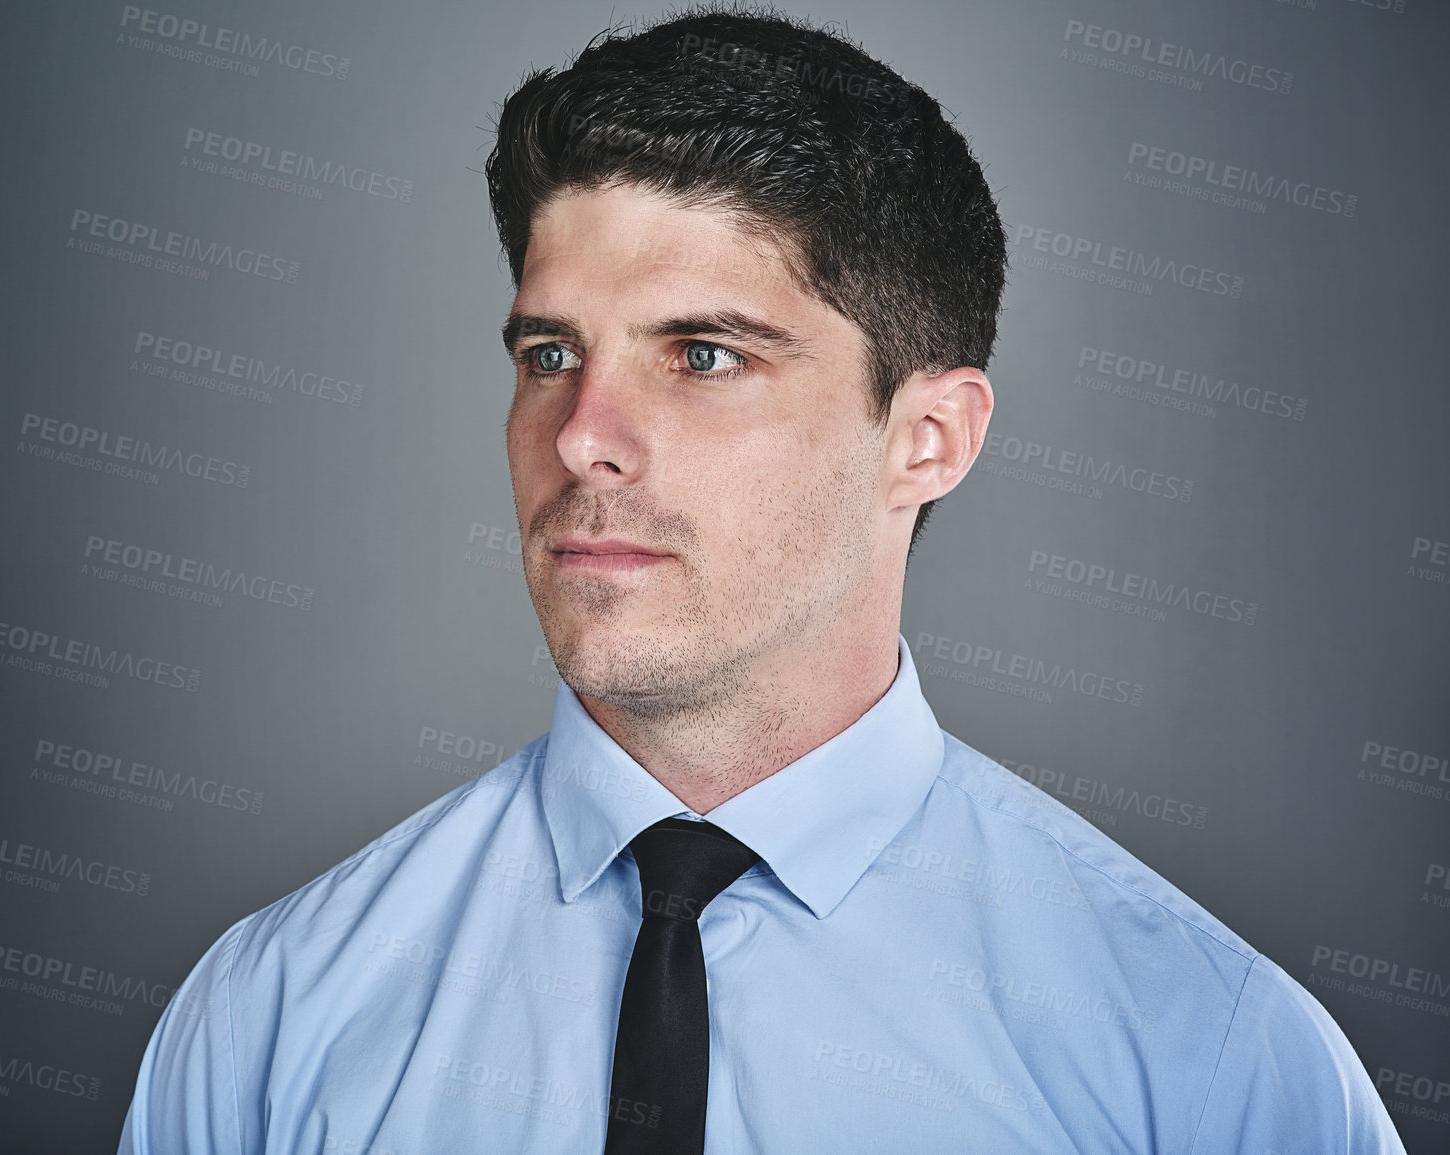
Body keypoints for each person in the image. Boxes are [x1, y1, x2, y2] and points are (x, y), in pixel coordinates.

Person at [118, 8, 1404, 1152]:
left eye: (706, 355)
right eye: (551, 351)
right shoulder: (270, 1023)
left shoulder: (1206, 1066)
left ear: (929, 440)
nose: (582, 436)